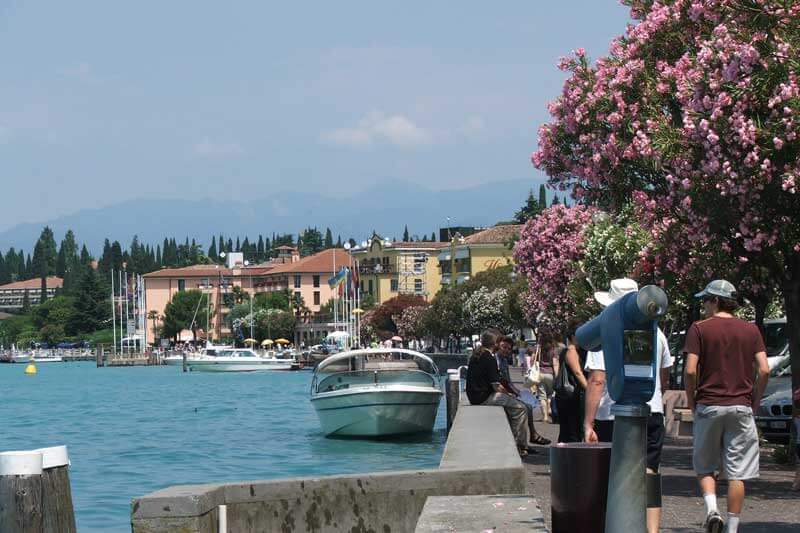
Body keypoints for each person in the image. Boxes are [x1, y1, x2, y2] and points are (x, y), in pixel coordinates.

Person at [583, 278, 673, 533]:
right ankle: (652, 530)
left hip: (614, 415)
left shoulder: (608, 325)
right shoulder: (658, 333)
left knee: (615, 474)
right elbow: (664, 377)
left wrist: (588, 422)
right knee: (650, 472)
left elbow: (597, 380)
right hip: (651, 410)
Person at [684, 279, 769, 533]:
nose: (704, 306)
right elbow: (764, 369)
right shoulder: (751, 330)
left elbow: (690, 370)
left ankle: (712, 510)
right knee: (737, 472)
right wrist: (754, 399)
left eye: (706, 301)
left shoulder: (699, 329)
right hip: (741, 406)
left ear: (715, 300)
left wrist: (692, 399)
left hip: (708, 405)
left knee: (705, 465)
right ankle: (732, 529)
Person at [466, 329, 535, 456]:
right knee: (521, 408)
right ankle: (516, 445)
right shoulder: (489, 358)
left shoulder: (476, 355)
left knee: (515, 406)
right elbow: (496, 386)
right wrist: (509, 395)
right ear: (495, 343)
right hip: (484, 397)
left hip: (474, 396)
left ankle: (521, 444)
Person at [496, 336, 550, 446]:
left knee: (528, 407)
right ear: (498, 346)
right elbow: (498, 382)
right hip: (501, 392)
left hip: (507, 391)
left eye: (508, 348)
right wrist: (511, 393)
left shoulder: (504, 361)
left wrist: (518, 393)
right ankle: (522, 443)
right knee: (523, 408)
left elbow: (508, 381)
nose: (506, 350)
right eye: (503, 347)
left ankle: (531, 437)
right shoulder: (496, 360)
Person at [555, 319, 588, 443]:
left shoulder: (572, 350)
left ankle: (564, 456)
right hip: (570, 396)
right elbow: (577, 373)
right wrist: (589, 389)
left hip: (567, 396)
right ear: (574, 336)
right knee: (571, 429)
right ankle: (569, 456)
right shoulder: (571, 350)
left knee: (568, 429)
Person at [537, 332, 559, 423]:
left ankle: (545, 417)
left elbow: (534, 360)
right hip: (550, 374)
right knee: (551, 394)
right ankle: (549, 405)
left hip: (540, 374)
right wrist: (557, 376)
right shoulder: (553, 350)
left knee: (542, 396)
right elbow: (555, 364)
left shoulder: (539, 349)